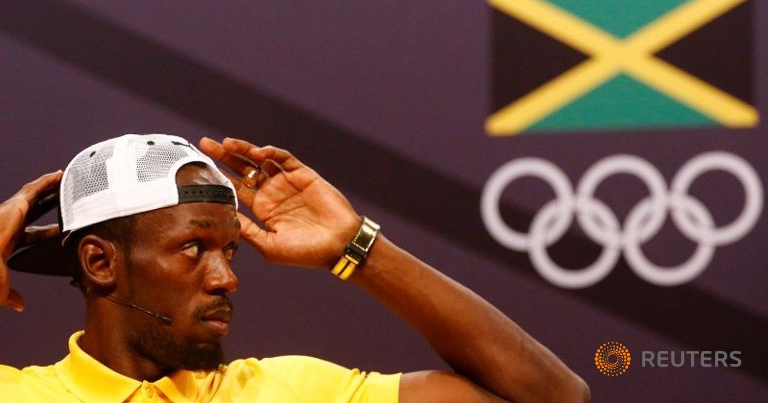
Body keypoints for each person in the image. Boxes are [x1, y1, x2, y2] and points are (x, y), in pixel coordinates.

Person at [0, 134, 590, 402]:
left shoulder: (293, 391)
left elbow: (555, 398)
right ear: (102, 262)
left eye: (229, 250)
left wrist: (357, 248)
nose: (226, 278)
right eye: (192, 249)